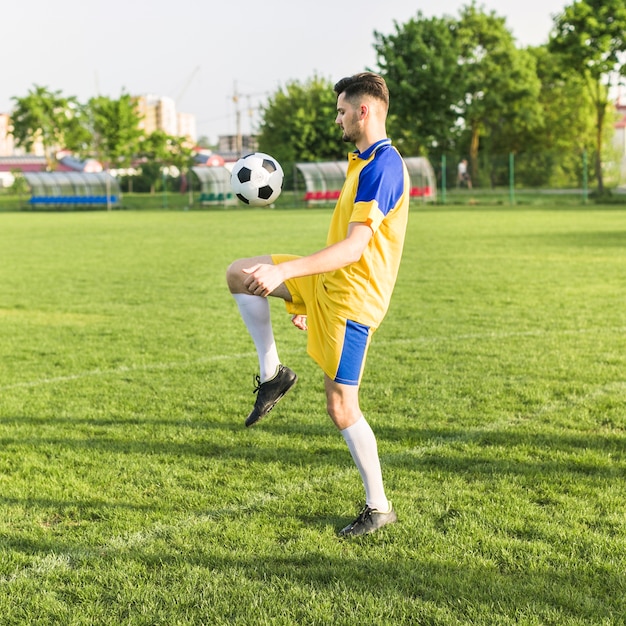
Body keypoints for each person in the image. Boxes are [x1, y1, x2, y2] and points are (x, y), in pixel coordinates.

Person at [226, 72, 410, 537]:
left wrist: (287, 272)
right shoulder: (362, 160)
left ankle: (379, 506)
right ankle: (273, 376)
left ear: (363, 111)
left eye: (342, 111)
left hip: (352, 302)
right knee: (240, 275)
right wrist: (304, 288)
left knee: (341, 405)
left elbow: (354, 249)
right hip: (327, 285)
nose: (338, 119)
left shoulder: (383, 168)